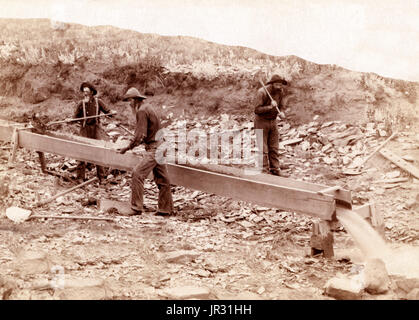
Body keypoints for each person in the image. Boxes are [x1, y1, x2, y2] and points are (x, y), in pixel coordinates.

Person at [117, 87, 174, 216]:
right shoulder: (148, 107)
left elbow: (140, 136)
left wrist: (126, 148)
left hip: (155, 148)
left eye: (129, 101)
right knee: (162, 179)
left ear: (134, 100)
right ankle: (166, 209)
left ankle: (136, 208)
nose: (129, 104)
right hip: (161, 145)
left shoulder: (141, 111)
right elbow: (148, 132)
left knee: (137, 173)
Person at [74, 81, 113, 182]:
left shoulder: (98, 102)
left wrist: (111, 113)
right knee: (81, 151)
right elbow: (75, 117)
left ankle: (102, 177)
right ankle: (80, 177)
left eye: (87, 92)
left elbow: (108, 111)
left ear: (92, 92)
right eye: (84, 92)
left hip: (95, 129)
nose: (85, 94)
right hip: (84, 129)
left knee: (98, 151)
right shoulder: (80, 104)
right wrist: (71, 120)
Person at [254, 74, 289, 176]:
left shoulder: (280, 92)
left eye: (281, 85)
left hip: (273, 121)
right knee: (263, 148)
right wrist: (270, 107)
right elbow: (257, 110)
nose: (279, 87)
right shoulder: (262, 92)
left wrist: (281, 112)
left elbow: (281, 106)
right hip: (261, 121)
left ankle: (275, 169)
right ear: (272, 84)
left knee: (274, 147)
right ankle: (264, 170)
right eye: (277, 85)